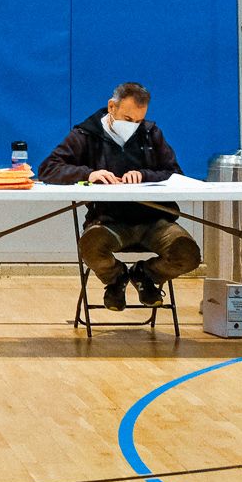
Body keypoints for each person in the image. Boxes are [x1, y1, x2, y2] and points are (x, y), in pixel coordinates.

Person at [38, 82, 201, 311]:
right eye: (127, 118)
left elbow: (174, 172)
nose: (133, 126)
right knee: (91, 246)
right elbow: (48, 169)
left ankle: (144, 274)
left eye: (138, 121)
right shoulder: (85, 134)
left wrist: (144, 175)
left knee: (188, 253)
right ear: (111, 107)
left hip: (155, 221)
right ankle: (116, 278)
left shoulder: (150, 133)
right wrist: (90, 173)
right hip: (109, 222)